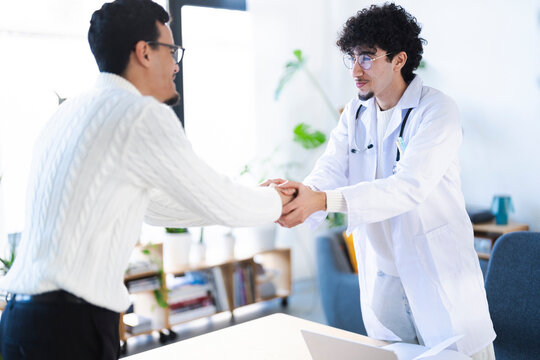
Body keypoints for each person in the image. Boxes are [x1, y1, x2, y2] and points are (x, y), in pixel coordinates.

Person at [0, 0, 292, 359]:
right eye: (172, 50)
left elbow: (158, 208)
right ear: (144, 52)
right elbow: (217, 196)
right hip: (70, 328)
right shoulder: (139, 115)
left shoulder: (68, 113)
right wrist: (282, 200)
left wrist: (257, 201)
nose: (175, 64)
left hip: (19, 324)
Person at [266, 3, 496, 359]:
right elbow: (329, 169)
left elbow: (408, 188)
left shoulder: (437, 110)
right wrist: (299, 195)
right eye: (353, 57)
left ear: (399, 59)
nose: (356, 69)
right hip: (386, 282)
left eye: (368, 57)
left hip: (439, 278)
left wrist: (324, 200)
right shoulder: (355, 114)